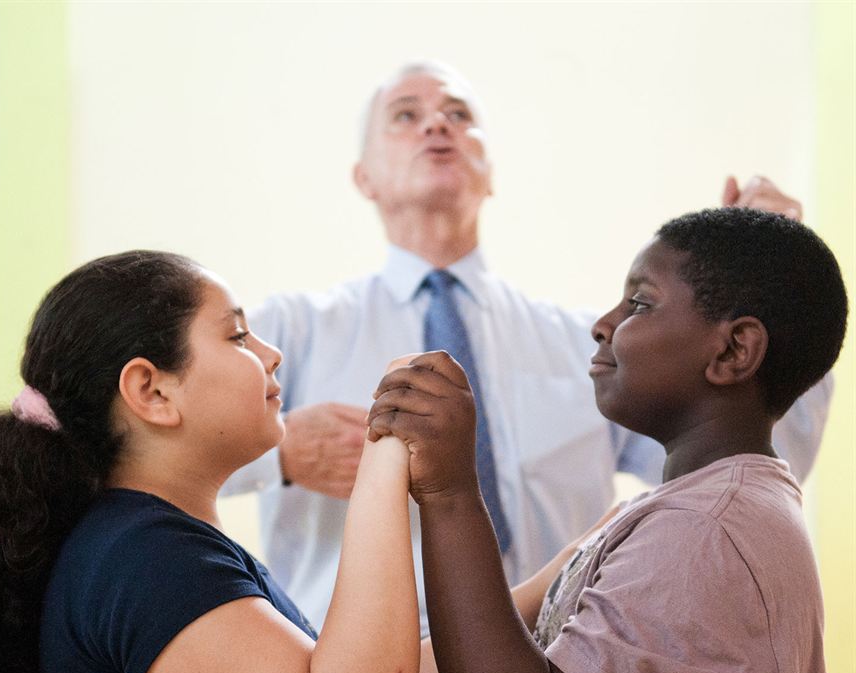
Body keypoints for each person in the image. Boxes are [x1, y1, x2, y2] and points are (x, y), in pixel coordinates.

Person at [224, 60, 832, 634]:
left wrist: (775, 293)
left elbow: (752, 459)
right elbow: (145, 455)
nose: (439, 123)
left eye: (461, 114)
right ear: (364, 177)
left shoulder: (595, 346)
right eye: (406, 115)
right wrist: (279, 454)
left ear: (491, 172)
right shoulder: (286, 334)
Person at [0, 251, 421, 673]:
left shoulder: (145, 545)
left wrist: (506, 608)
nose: (271, 353)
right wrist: (384, 455)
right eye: (238, 336)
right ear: (152, 391)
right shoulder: (147, 558)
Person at [369, 207, 846, 673]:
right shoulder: (712, 509)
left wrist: (451, 494)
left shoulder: (701, 531)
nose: (602, 325)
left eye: (639, 303)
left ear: (733, 351)